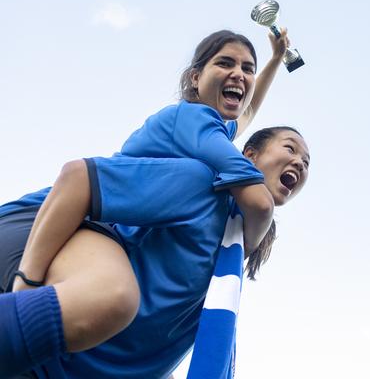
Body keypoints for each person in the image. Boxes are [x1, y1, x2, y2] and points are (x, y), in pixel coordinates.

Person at [0, 28, 300, 377]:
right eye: (225, 63)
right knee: (113, 296)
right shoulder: (197, 128)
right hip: (61, 222)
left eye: (248, 68)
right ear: (195, 77)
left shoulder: (216, 154)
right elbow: (259, 201)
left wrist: (274, 61)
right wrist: (25, 285)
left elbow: (247, 112)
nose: (240, 74)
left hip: (90, 231)